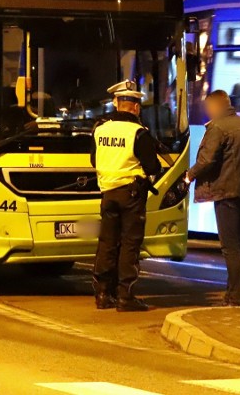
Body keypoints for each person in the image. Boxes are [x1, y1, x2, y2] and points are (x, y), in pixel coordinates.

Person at [91, 80, 162, 312]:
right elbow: (152, 167)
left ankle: (102, 294)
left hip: (107, 193)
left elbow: (94, 160)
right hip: (131, 195)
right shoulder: (138, 133)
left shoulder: (100, 129)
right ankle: (125, 297)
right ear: (136, 107)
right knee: (129, 246)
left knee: (107, 244)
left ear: (116, 103)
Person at [186, 90, 240, 306]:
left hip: (225, 191)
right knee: (236, 244)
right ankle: (233, 293)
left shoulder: (218, 127)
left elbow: (207, 160)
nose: (207, 112)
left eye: (208, 108)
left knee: (230, 247)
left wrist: (188, 175)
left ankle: (235, 296)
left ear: (215, 106)